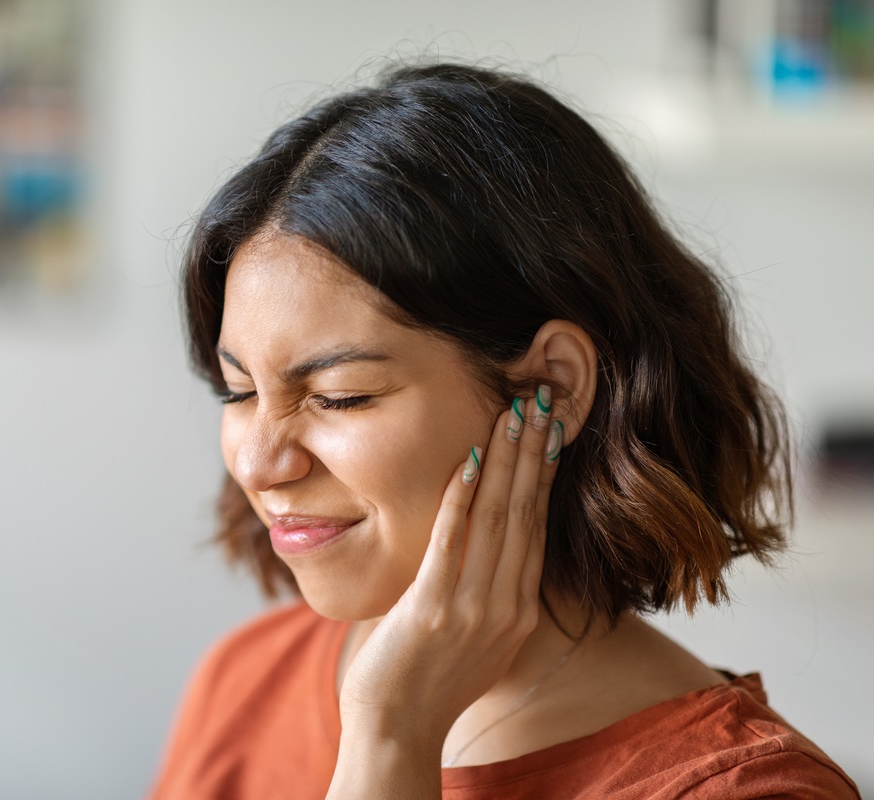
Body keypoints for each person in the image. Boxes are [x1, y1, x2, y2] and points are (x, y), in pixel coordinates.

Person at [149, 63, 859, 799]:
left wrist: (393, 741)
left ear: (551, 386)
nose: (260, 464)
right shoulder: (243, 680)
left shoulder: (742, 791)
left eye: (339, 397)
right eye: (238, 390)